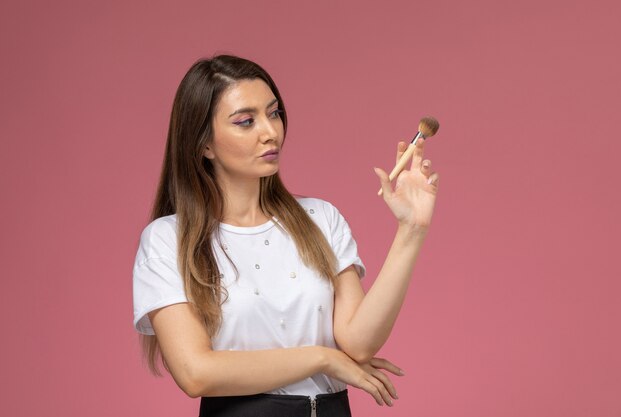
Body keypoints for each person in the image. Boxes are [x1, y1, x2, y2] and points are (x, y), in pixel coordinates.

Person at [132, 54, 440, 417]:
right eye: (246, 121)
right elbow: (195, 373)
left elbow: (358, 344)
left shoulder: (320, 218)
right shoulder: (169, 239)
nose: (270, 131)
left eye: (274, 113)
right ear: (204, 145)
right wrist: (322, 359)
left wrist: (411, 229)